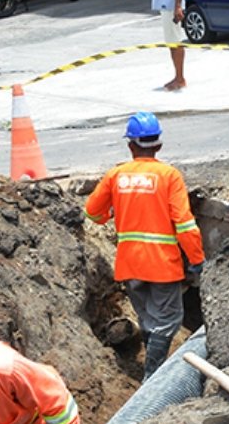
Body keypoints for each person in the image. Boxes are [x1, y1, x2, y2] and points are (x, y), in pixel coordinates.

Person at [85, 112, 205, 377]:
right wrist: (196, 259)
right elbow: (185, 224)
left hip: (130, 264)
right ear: (158, 145)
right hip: (162, 265)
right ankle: (153, 375)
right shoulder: (168, 176)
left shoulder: (117, 175)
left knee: (149, 320)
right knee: (168, 320)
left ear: (130, 145)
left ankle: (154, 370)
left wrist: (112, 214)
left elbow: (92, 212)